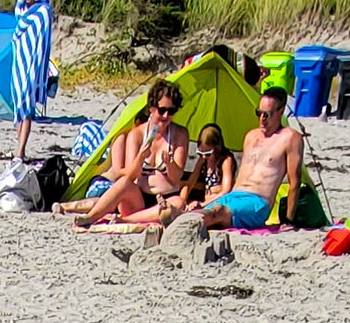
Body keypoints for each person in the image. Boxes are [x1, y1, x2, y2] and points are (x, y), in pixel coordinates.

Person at [73, 83, 190, 229]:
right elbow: (129, 176)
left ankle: (125, 221)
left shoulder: (179, 134)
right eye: (162, 110)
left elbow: (176, 177)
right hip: (139, 198)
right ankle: (91, 216)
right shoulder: (137, 135)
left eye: (171, 111)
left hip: (166, 196)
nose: (166, 116)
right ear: (151, 109)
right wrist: (140, 157)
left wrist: (169, 164)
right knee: (122, 184)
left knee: (178, 203)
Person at [198, 87, 305, 232]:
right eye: (259, 113)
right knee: (194, 213)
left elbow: (295, 182)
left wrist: (288, 220)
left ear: (280, 112)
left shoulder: (290, 138)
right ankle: (179, 223)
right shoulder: (251, 136)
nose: (262, 119)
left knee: (217, 212)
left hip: (257, 202)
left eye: (267, 114)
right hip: (232, 196)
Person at [57, 101, 149, 217]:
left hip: (119, 186)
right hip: (104, 183)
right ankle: (69, 207)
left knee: (118, 199)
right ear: (137, 122)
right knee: (112, 200)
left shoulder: (149, 143)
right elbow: (118, 171)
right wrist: (137, 167)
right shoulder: (122, 138)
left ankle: (69, 207)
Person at [9, 0, 55, 164]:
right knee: (19, 106)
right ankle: (19, 149)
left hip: (33, 66)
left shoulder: (43, 11)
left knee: (27, 107)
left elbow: (41, 41)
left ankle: (20, 150)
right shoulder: (22, 12)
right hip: (19, 64)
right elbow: (19, 28)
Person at [183, 123, 236, 206]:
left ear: (217, 148)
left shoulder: (225, 161)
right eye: (200, 153)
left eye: (208, 154)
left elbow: (226, 191)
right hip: (206, 202)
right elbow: (189, 183)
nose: (203, 156)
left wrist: (202, 204)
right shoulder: (202, 161)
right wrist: (182, 201)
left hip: (220, 204)